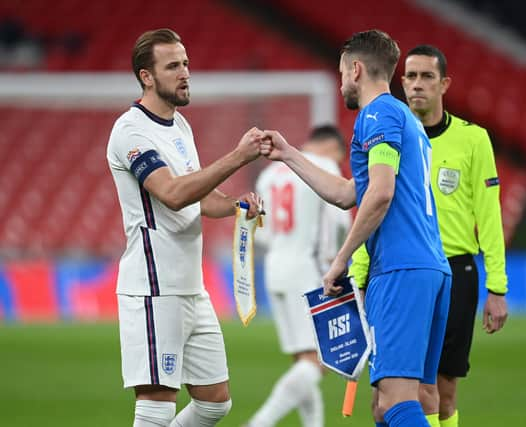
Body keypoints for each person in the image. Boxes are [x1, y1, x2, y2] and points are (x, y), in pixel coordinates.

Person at [260, 30, 452, 427]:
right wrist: (289, 154)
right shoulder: (407, 120)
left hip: (400, 268)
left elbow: (379, 194)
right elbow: (352, 192)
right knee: (387, 404)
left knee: (397, 403)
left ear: (357, 70)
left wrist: (341, 260)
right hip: (429, 267)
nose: (342, 81)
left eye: (342, 72)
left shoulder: (377, 115)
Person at [106, 28, 263, 427]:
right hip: (155, 287)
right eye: (173, 65)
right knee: (158, 406)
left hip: (192, 287)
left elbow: (198, 194)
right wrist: (238, 157)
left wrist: (234, 206)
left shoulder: (180, 127)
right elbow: (173, 194)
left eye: (186, 63)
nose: (185, 72)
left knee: (215, 403)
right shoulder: (130, 131)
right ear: (146, 76)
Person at [352, 44, 509, 427]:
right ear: (399, 80)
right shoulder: (393, 131)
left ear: (445, 83)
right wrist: (358, 266)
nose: (416, 84)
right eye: (409, 75)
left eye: (426, 76)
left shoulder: (473, 140)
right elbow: (367, 198)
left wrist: (497, 287)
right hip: (394, 269)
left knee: (439, 389)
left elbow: (489, 214)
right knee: (391, 393)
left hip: (452, 270)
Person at [246, 125, 351, 427]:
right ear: (333, 148)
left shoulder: (269, 174)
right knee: (319, 362)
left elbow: (262, 235)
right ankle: (259, 423)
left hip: (275, 268)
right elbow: (340, 222)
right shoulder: (325, 166)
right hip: (309, 270)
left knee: (302, 359)